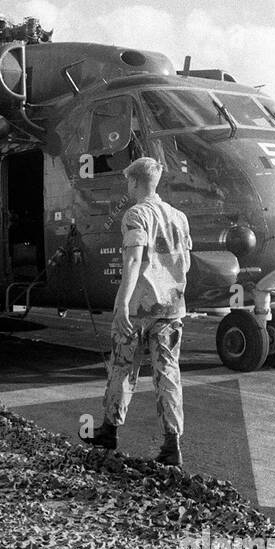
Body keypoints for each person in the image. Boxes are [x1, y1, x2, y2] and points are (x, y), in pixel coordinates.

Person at [82, 153, 191, 467]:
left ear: (134, 181)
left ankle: (109, 430)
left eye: (128, 181)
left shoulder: (136, 214)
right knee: (168, 374)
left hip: (139, 308)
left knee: (123, 368)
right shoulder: (179, 217)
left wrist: (121, 304)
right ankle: (172, 446)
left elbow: (132, 261)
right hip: (171, 308)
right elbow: (185, 262)